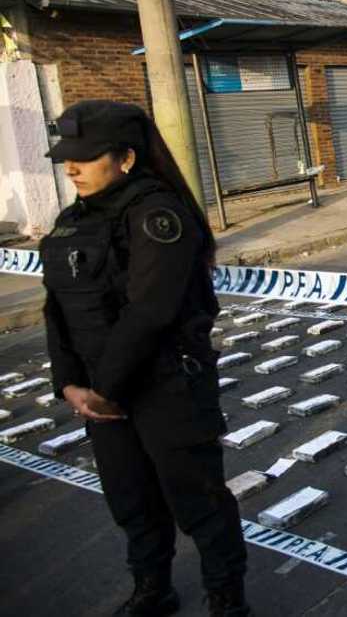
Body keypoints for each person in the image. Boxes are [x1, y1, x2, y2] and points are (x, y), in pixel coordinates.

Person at [40, 101, 250, 617]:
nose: (71, 168)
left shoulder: (159, 215)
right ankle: (152, 589)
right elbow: (57, 307)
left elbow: (150, 312)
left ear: (126, 158)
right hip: (101, 394)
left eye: (86, 158)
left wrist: (104, 390)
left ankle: (227, 599)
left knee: (198, 501)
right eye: (66, 158)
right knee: (131, 500)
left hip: (165, 387)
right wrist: (70, 383)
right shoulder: (72, 221)